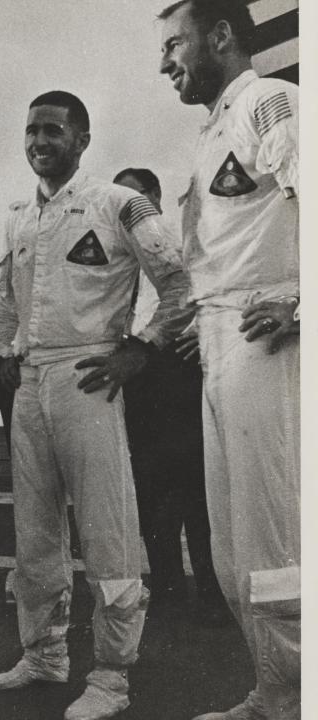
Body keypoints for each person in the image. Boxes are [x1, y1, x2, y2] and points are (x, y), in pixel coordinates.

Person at [0, 90, 192, 720]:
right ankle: (45, 652)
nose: (39, 142)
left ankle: (112, 675)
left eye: (53, 130)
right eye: (30, 132)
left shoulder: (117, 203)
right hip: (31, 382)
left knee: (108, 531)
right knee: (36, 533)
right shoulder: (19, 215)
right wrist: (1, 351)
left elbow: (179, 282)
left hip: (91, 376)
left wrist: (142, 348)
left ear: (82, 138)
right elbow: (5, 302)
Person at [158, 2, 299, 718]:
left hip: (270, 340)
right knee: (234, 547)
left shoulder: (272, 103)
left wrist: (300, 304)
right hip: (221, 342)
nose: (164, 63)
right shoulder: (214, 129)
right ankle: (273, 689)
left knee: (278, 541)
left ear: (220, 37)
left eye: (174, 44)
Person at [113, 167, 226, 620]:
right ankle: (167, 587)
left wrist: (200, 329)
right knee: (147, 488)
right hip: (135, 377)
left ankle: (214, 591)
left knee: (195, 489)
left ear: (156, 200)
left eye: (138, 197)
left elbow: (213, 295)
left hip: (178, 371)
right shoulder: (118, 259)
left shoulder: (185, 247)